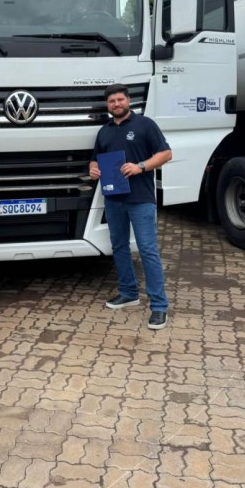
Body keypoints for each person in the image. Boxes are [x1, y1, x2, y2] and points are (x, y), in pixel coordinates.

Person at [89, 84, 172, 330]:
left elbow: (166, 154)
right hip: (113, 199)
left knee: (147, 250)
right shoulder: (104, 132)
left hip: (141, 199)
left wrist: (140, 167)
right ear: (107, 105)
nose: (116, 104)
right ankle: (128, 292)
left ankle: (159, 306)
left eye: (120, 99)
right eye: (112, 101)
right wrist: (93, 169)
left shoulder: (145, 125)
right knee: (119, 246)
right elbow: (95, 159)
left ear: (128, 101)